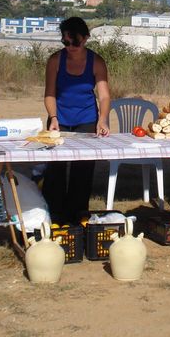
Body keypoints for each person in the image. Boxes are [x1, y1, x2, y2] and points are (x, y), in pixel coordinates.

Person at [42, 17, 110, 224]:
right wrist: (53, 118)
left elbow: (104, 96)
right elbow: (49, 94)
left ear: (86, 38)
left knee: (83, 167)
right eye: (65, 42)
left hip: (87, 118)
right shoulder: (55, 60)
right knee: (56, 168)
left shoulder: (96, 61)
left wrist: (103, 119)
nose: (70, 47)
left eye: (75, 42)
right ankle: (54, 212)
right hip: (59, 118)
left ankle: (78, 212)